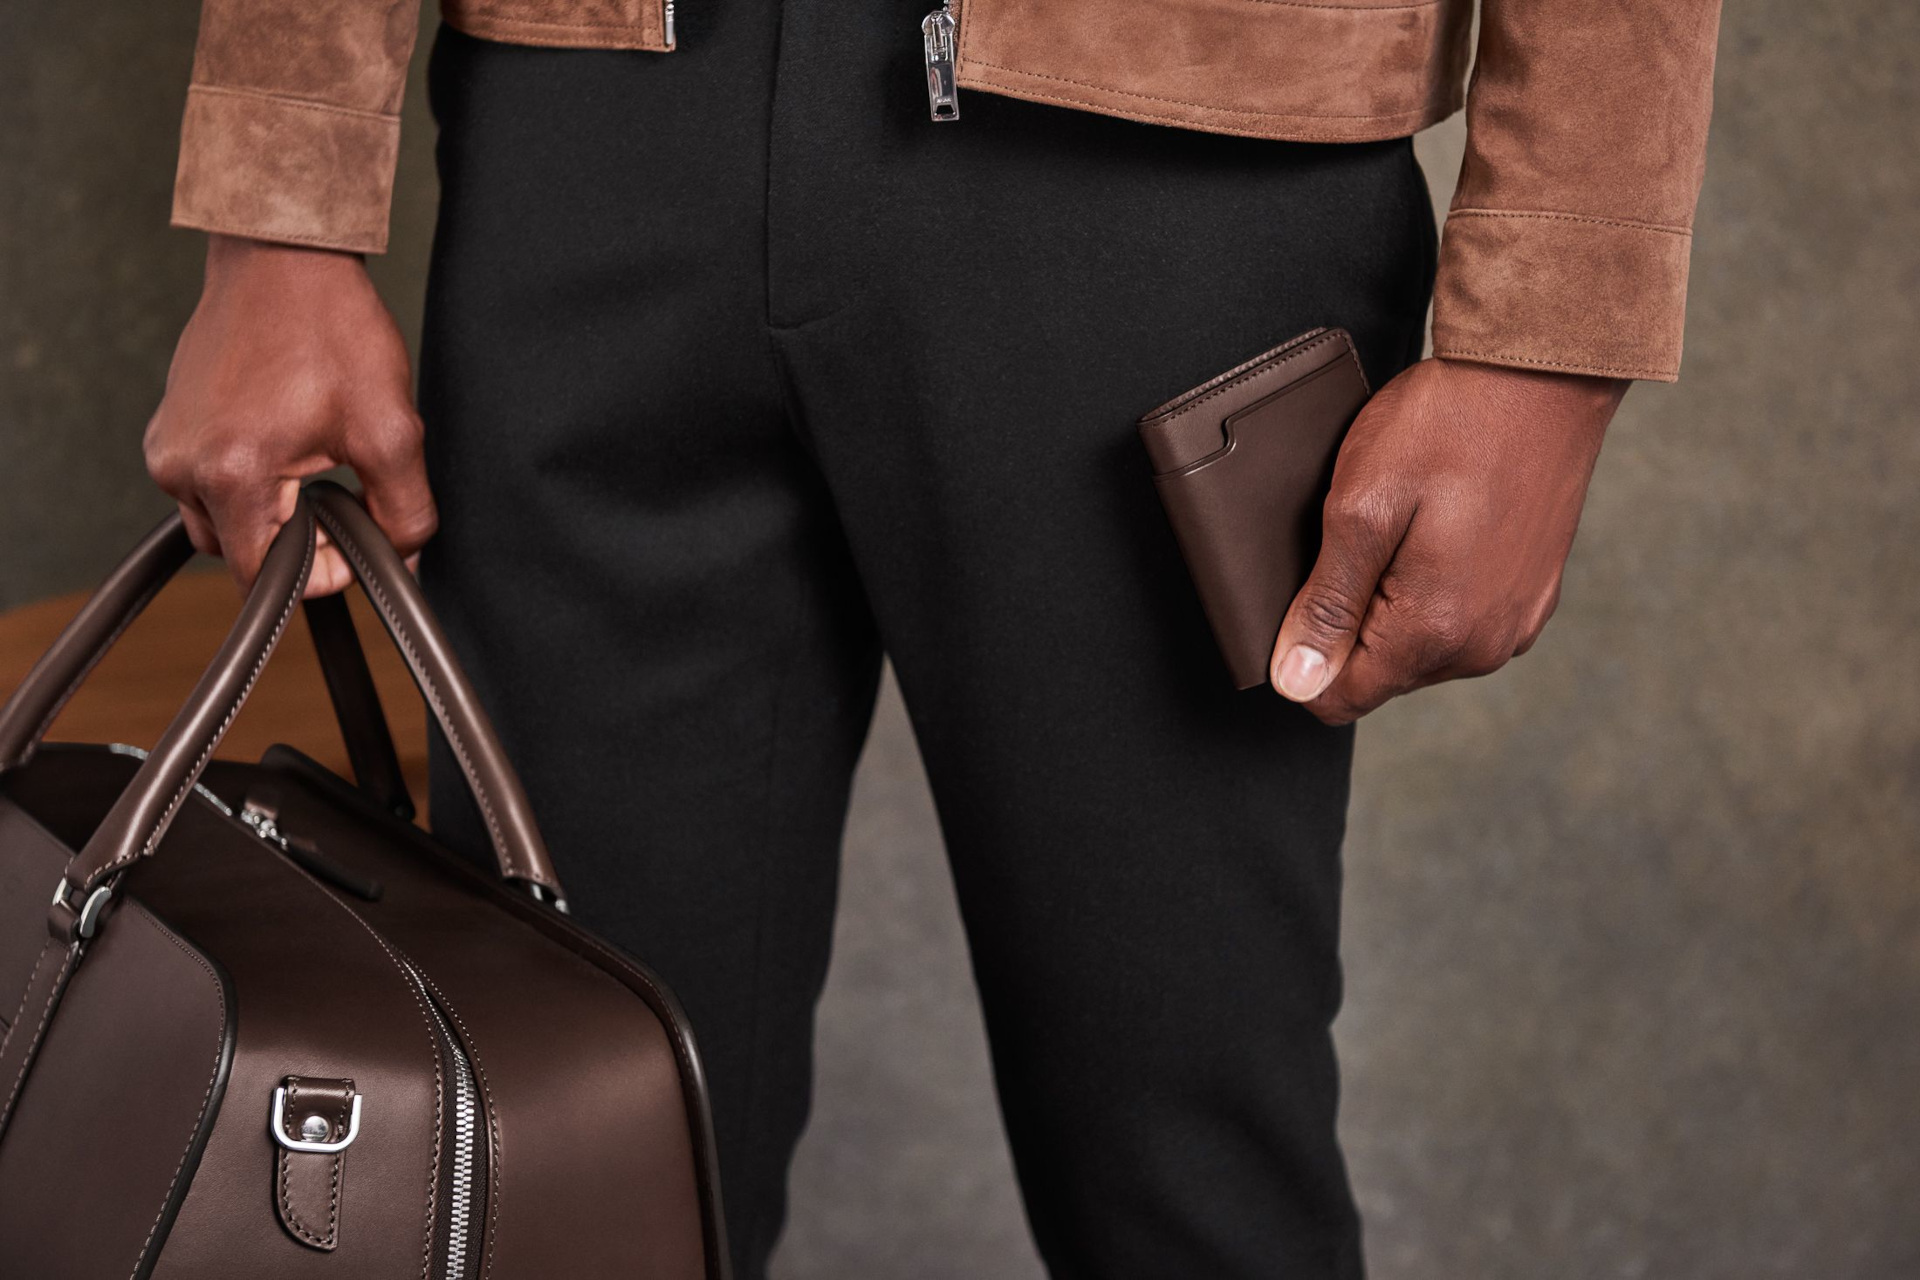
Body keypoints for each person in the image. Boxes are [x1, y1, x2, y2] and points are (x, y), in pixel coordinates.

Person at [143, 0, 1723, 1275]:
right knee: (559, 1176)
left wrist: (1555, 325)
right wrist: (278, 207)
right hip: (594, 137)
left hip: (1170, 153)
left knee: (1191, 1189)